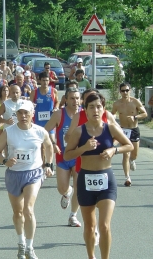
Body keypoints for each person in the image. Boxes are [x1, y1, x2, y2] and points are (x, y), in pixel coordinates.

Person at [64, 93, 133, 259]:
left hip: (106, 180)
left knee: (104, 226)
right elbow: (67, 155)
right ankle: (91, 256)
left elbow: (129, 145)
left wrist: (113, 150)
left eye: (99, 106)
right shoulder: (79, 131)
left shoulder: (110, 128)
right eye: (91, 107)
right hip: (86, 180)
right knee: (89, 225)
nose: (96, 110)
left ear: (103, 109)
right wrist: (84, 148)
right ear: (85, 111)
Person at [0, 100, 54, 259]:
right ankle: (21, 244)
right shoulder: (9, 132)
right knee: (18, 212)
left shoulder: (40, 131)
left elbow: (48, 146)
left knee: (28, 209)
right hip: (14, 174)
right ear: (16, 114)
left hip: (33, 173)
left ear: (32, 114)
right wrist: (5, 161)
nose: (23, 116)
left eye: (26, 112)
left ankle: (30, 247)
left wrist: (48, 164)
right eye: (20, 112)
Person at [44, 88, 82, 227]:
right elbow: (45, 131)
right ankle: (67, 192)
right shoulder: (59, 114)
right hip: (63, 156)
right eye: (72, 98)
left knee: (79, 187)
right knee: (62, 187)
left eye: (77, 98)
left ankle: (73, 216)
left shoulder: (84, 114)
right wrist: (53, 143)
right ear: (65, 99)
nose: (75, 101)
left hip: (79, 157)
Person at [111, 83, 147, 186]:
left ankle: (132, 160)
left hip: (134, 129)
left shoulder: (135, 102)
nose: (125, 92)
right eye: (123, 91)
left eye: (127, 90)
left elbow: (145, 113)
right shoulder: (117, 104)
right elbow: (112, 114)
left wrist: (135, 117)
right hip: (123, 131)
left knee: (134, 154)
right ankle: (127, 177)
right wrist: (113, 119)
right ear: (120, 92)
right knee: (125, 154)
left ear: (130, 90)